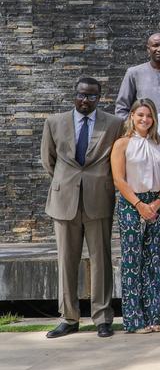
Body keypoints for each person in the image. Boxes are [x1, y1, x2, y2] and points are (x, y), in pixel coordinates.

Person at [40, 77, 120, 339]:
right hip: (64, 201)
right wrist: (68, 182)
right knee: (66, 260)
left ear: (100, 97)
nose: (86, 100)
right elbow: (48, 161)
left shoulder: (114, 124)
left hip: (98, 200)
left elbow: (116, 160)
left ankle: (102, 317)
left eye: (92, 97)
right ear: (74, 95)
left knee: (101, 261)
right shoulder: (54, 123)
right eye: (82, 95)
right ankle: (69, 317)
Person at [111, 99, 160, 334]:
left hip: (156, 202)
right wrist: (138, 204)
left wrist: (157, 202)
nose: (145, 119)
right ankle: (134, 320)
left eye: (149, 116)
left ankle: (153, 316)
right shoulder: (122, 144)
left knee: (153, 260)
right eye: (141, 115)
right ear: (132, 116)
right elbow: (119, 179)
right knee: (133, 261)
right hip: (131, 203)